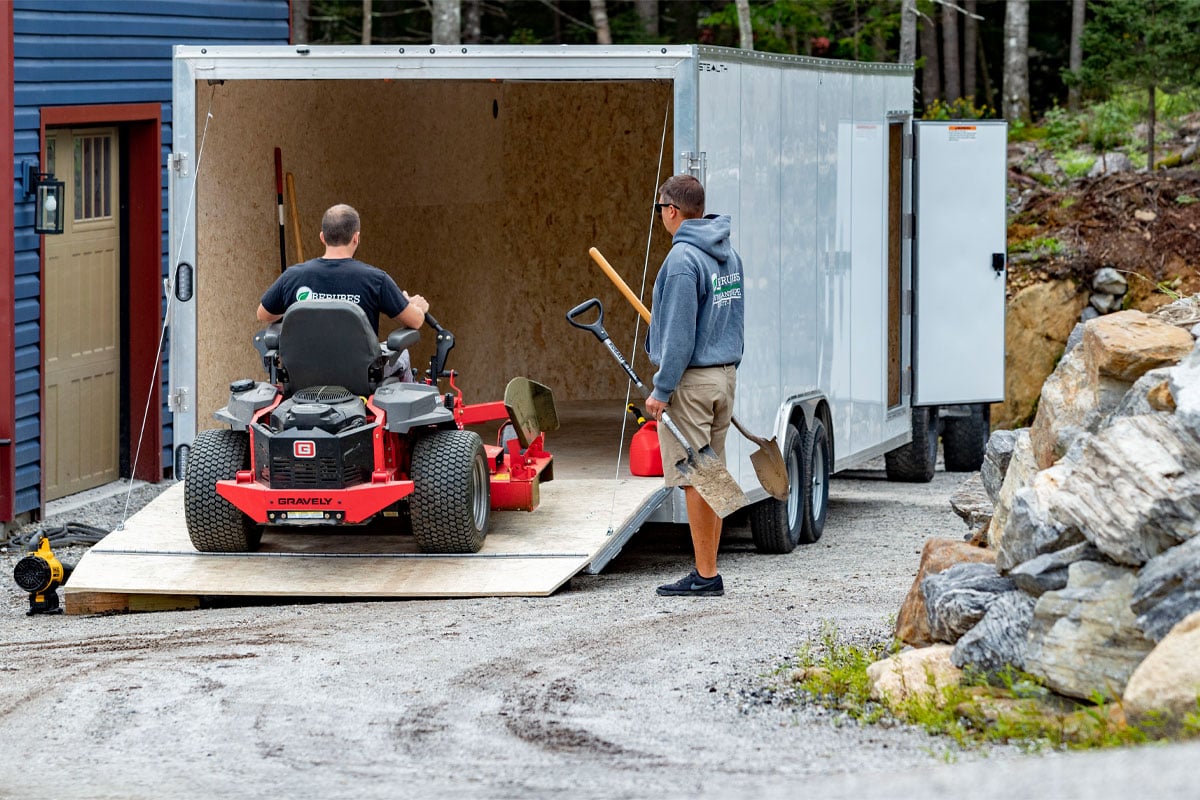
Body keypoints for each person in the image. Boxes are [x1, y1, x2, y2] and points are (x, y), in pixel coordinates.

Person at [644, 174, 745, 598]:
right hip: (723, 375)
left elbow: (681, 336)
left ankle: (705, 575)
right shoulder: (728, 255)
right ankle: (710, 569)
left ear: (672, 210)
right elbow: (736, 319)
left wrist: (662, 389)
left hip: (692, 382)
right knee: (711, 472)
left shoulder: (683, 260)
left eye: (660, 209)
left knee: (695, 478)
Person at [257, 204, 429, 378]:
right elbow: (414, 321)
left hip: (303, 379)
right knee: (403, 356)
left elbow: (264, 314)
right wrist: (416, 307)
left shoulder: (292, 277)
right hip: (360, 380)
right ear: (356, 238)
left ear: (322, 237)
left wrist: (299, 307)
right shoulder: (376, 280)